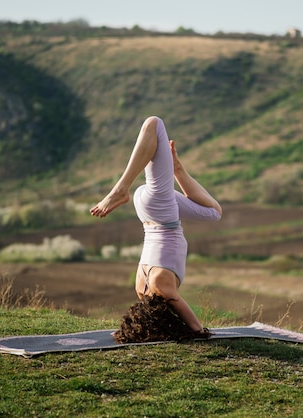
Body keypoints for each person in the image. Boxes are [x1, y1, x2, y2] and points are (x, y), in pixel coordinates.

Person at [90, 116, 222, 335]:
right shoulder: (141, 287)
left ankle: (120, 189)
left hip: (161, 212)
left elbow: (197, 328)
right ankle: (177, 170)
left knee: (153, 124)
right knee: (214, 213)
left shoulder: (164, 287)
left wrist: (196, 331)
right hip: (149, 213)